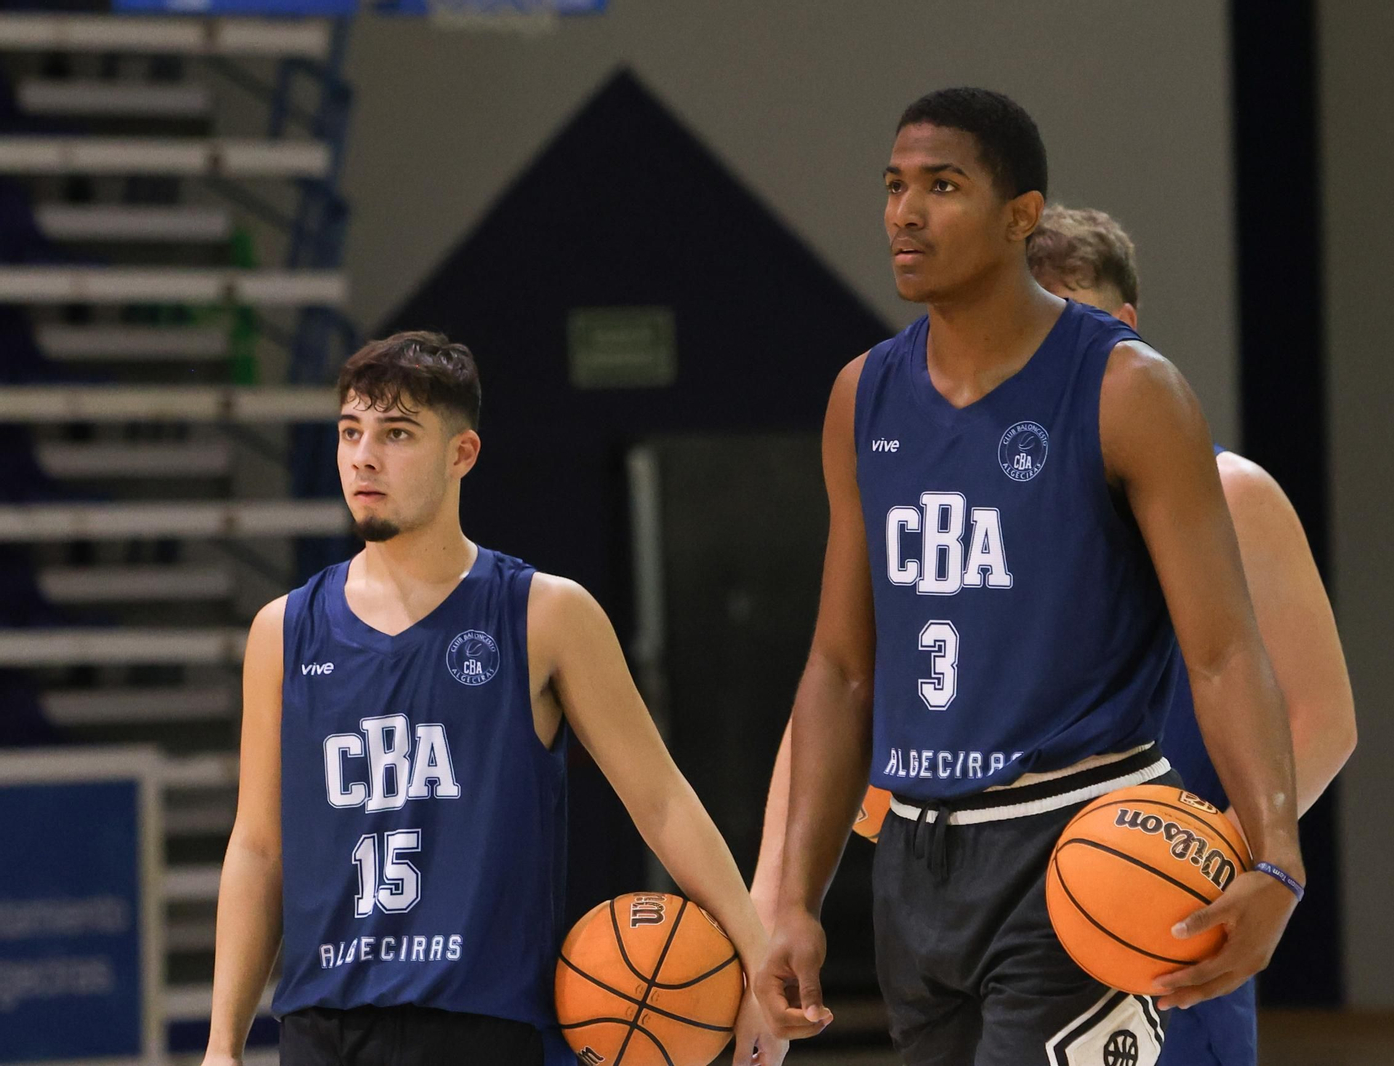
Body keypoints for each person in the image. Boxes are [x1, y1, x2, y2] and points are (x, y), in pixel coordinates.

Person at [753, 88, 1306, 1066]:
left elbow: (1223, 651)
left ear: (1021, 216)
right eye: (893, 186)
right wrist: (794, 894)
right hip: (915, 859)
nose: (904, 213)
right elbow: (840, 669)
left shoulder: (1129, 389)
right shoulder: (862, 395)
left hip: (1080, 841)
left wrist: (1276, 854)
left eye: (942, 186)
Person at [202, 332, 783, 1066]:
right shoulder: (283, 631)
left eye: (397, 434)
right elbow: (259, 847)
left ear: (462, 454)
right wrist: (222, 1044)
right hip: (324, 1029)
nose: (363, 457)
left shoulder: (545, 614)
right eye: (350, 432)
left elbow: (661, 801)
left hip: (485, 1030)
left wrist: (760, 963)